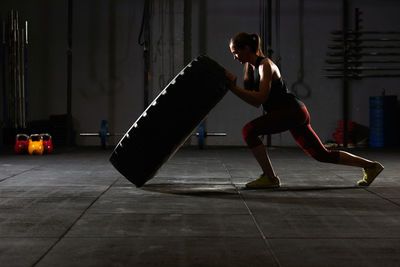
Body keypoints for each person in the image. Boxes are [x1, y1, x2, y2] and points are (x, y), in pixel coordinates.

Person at [225, 32, 384, 188]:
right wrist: (233, 88)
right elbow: (256, 103)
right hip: (293, 113)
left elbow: (259, 98)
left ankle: (270, 177)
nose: (235, 57)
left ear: (246, 48)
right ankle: (371, 166)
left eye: (236, 52)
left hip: (291, 112)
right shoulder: (252, 69)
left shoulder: (265, 65)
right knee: (321, 155)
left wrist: (232, 88)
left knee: (249, 131)